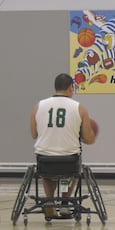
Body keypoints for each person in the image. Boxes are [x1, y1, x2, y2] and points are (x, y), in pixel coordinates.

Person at [30, 73, 97, 218]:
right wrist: (91, 133)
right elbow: (89, 139)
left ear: (55, 88)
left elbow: (33, 134)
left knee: (49, 174)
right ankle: (65, 203)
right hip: (69, 160)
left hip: (45, 159)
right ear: (70, 88)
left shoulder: (39, 106)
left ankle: (49, 201)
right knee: (70, 172)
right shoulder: (80, 108)